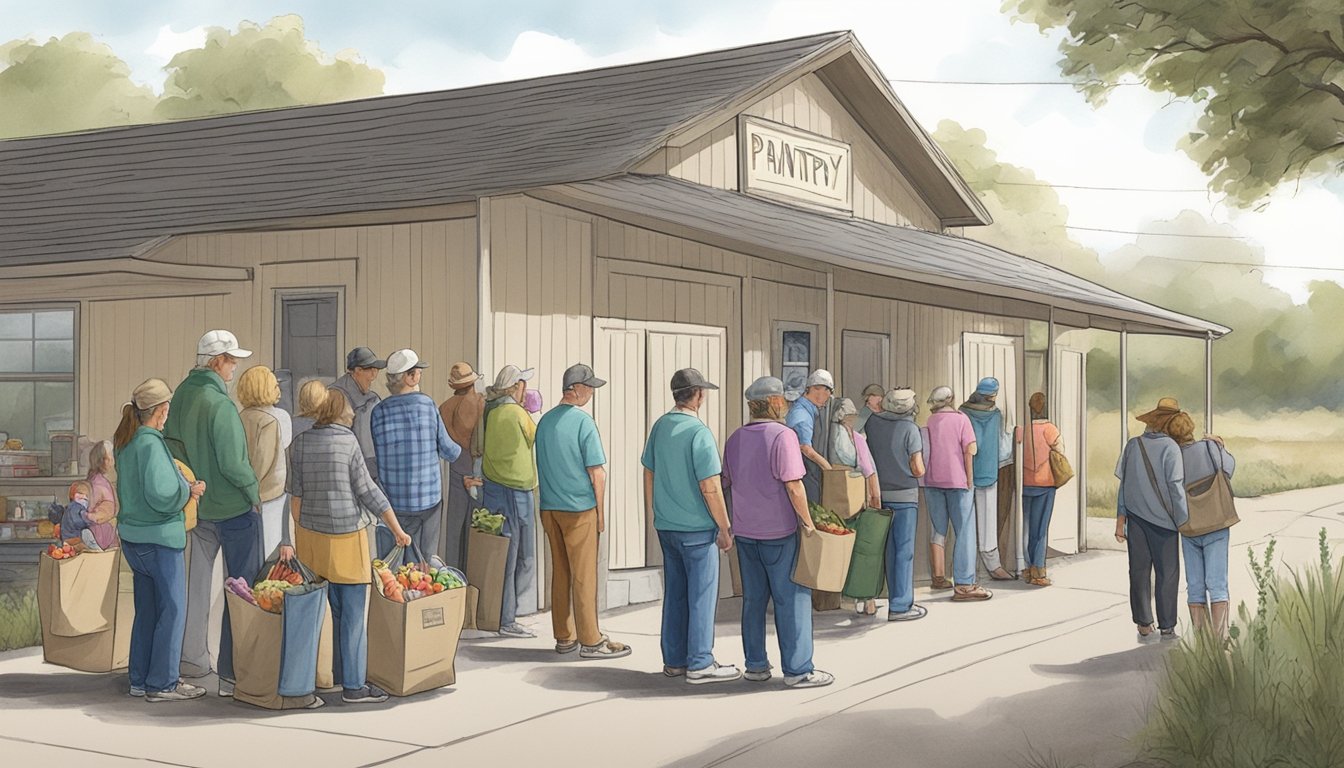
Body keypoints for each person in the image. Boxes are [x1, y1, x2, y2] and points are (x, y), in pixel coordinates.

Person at [286, 388, 414, 705]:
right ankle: (354, 686)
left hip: (312, 540)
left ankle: (324, 678)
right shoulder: (347, 442)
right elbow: (367, 491)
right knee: (355, 614)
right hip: (346, 538)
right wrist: (397, 528)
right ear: (338, 411)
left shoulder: (300, 444)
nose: (354, 413)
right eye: (349, 409)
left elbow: (296, 497)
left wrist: (301, 533)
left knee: (326, 611)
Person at [164, 329, 262, 695]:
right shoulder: (220, 405)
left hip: (198, 507)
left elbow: (173, 454)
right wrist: (254, 493)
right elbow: (234, 464)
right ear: (216, 361)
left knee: (195, 586)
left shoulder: (179, 399)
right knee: (241, 589)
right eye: (231, 359)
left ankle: (191, 658)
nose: (235, 367)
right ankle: (233, 673)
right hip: (234, 509)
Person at [723, 376, 833, 689]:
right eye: (783, 399)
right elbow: (794, 485)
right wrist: (808, 523)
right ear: (774, 402)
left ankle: (756, 665)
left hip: (746, 533)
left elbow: (726, 482)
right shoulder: (782, 436)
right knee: (792, 598)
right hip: (780, 532)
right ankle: (798, 669)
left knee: (754, 600)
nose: (785, 404)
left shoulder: (735, 438)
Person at [643, 368, 739, 684]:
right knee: (701, 595)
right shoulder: (699, 433)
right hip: (697, 529)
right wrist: (724, 527)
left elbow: (649, 473)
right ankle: (700, 661)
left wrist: (655, 512)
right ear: (698, 395)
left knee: (675, 593)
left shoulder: (660, 427)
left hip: (667, 525)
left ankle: (673, 660)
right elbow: (710, 486)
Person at [114, 378, 207, 702]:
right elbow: (162, 494)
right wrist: (188, 490)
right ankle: (163, 683)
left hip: (134, 540)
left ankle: (139, 678)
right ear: (162, 411)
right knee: (172, 610)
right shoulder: (152, 444)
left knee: (147, 611)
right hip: (161, 539)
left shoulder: (126, 442)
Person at [535, 364, 631, 659]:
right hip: (579, 508)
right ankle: (591, 640)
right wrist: (600, 515)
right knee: (584, 576)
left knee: (560, 572)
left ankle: (564, 637)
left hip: (550, 508)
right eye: (588, 387)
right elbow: (597, 474)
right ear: (575, 389)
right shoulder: (583, 423)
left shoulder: (545, 422)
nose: (591, 392)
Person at [370, 348, 461, 561]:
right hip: (427, 498)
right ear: (410, 377)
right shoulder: (426, 404)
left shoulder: (378, 411)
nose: (419, 375)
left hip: (393, 501)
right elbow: (448, 449)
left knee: (397, 563)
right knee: (426, 560)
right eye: (418, 372)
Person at [1115, 397, 1189, 643]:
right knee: (1167, 573)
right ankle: (1167, 626)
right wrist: (1183, 519)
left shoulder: (1133, 445)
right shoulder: (1171, 448)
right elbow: (1176, 488)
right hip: (1165, 523)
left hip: (1135, 519)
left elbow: (1123, 485)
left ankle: (1144, 623)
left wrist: (1120, 519)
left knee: (1138, 571)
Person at [1165, 411, 1236, 640]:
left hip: (1189, 527)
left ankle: (1200, 640)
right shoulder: (1209, 448)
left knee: (1194, 584)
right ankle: (1221, 637)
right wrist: (1221, 446)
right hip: (1216, 522)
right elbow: (1229, 470)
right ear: (1191, 429)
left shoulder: (1172, 458)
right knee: (1217, 583)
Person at [481, 364, 539, 638]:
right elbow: (535, 436)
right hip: (517, 490)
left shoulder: (490, 411)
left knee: (501, 552)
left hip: (493, 488)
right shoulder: (517, 413)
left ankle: (500, 615)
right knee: (521, 555)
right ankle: (508, 618)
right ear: (516, 387)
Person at [863, 387, 928, 622]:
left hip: (878, 494)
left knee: (886, 550)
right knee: (904, 551)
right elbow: (918, 468)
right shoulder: (911, 429)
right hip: (904, 495)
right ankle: (900, 605)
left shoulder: (872, 424)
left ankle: (883, 597)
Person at [923, 386, 992, 601]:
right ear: (951, 399)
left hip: (932, 481)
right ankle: (964, 584)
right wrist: (969, 481)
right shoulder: (962, 419)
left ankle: (938, 576)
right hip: (958, 481)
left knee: (938, 528)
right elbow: (969, 452)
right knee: (964, 531)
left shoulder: (930, 422)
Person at [829, 397, 883, 615]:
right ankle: (866, 599)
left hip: (834, 499)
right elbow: (869, 471)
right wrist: (876, 499)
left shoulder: (828, 436)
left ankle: (844, 596)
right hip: (856, 497)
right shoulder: (856, 438)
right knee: (865, 550)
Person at [959, 378, 1015, 581]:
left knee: (964, 522)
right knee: (988, 520)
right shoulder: (996, 415)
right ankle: (993, 565)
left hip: (964, 472)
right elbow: (1003, 449)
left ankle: (966, 570)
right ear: (992, 395)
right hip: (989, 471)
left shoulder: (962, 412)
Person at [238, 366, 293, 557]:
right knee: (268, 557)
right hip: (269, 497)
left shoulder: (240, 418)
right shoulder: (273, 420)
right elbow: (263, 463)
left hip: (243, 498)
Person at [438, 362, 486, 571]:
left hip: (454, 466)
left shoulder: (444, 408)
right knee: (477, 524)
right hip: (477, 466)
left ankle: (454, 574)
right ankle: (474, 573)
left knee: (455, 525)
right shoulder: (480, 403)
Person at [1023, 392, 1063, 587]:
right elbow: (1061, 452)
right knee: (1040, 530)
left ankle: (1026, 567)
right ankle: (1038, 570)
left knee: (1025, 528)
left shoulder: (1022, 430)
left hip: (1024, 484)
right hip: (1045, 484)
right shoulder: (1050, 429)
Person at [330, 347, 387, 481]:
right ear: (357, 371)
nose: (374, 374)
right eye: (370, 369)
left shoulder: (372, 398)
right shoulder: (336, 395)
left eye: (376, 369)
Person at [785, 369, 836, 504]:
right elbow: (805, 448)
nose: (826, 396)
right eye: (827, 391)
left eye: (828, 392)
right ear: (813, 389)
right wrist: (828, 468)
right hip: (802, 473)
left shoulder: (803, 409)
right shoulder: (802, 416)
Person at [85, 440, 120, 550]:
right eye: (107, 458)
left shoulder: (101, 480)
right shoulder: (96, 483)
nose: (111, 461)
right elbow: (88, 511)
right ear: (99, 460)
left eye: (111, 458)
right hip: (99, 536)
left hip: (108, 533)